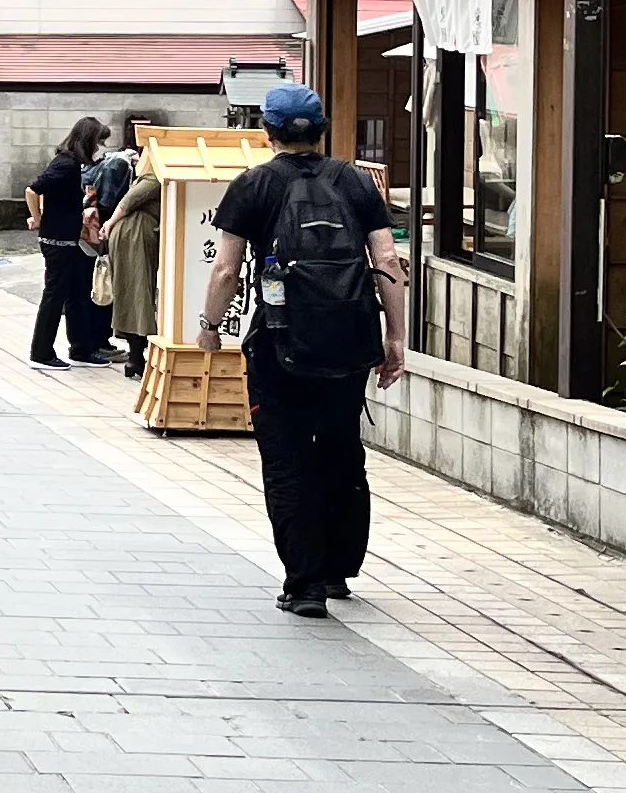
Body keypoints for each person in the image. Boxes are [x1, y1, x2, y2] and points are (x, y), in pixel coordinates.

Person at [199, 83, 405, 616]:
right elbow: (388, 265)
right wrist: (396, 338)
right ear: (321, 130)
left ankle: (306, 584)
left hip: (280, 342)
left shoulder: (253, 185)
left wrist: (209, 326)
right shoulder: (356, 182)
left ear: (267, 133)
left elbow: (224, 269)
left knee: (288, 459)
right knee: (340, 448)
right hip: (349, 341)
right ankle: (338, 568)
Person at [24, 115, 113, 368]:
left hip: (67, 239)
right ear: (88, 140)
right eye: (98, 141)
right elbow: (33, 190)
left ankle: (81, 349)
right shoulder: (65, 164)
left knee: (76, 294)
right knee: (55, 295)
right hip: (57, 241)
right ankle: (41, 353)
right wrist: (38, 218)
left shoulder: (71, 164)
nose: (99, 148)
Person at [100, 137, 164, 380]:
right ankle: (136, 357)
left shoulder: (153, 176)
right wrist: (109, 223)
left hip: (134, 235)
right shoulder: (154, 178)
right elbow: (127, 203)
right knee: (138, 293)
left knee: (134, 293)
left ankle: (136, 356)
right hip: (135, 235)